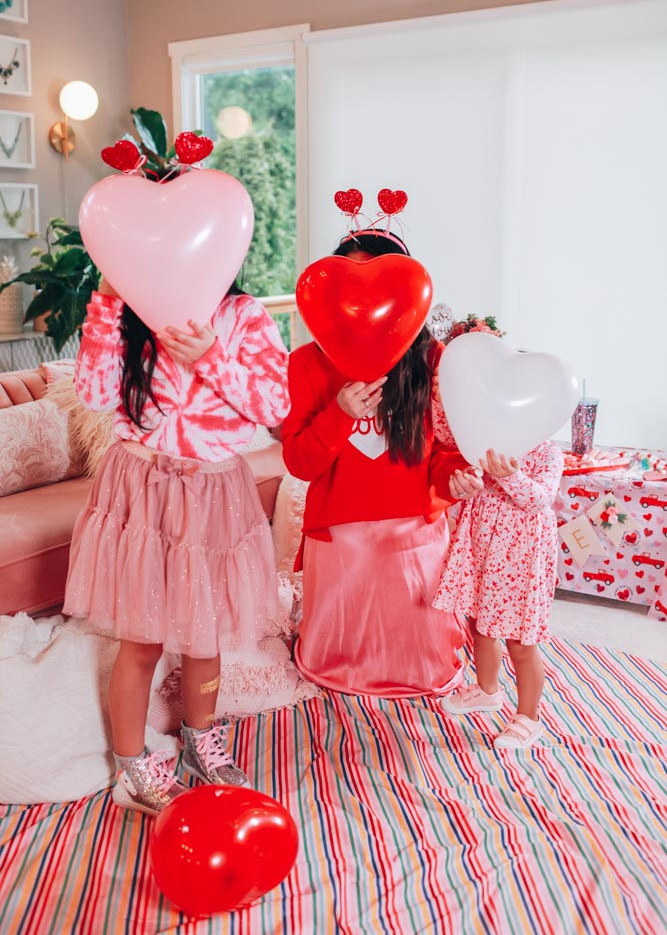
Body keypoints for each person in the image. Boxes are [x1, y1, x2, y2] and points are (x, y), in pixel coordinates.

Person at [64, 275, 290, 814]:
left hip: (214, 492)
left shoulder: (244, 315)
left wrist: (212, 357)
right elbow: (93, 394)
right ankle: (131, 765)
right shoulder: (133, 313)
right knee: (142, 640)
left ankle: (199, 739)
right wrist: (107, 302)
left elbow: (274, 404)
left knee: (203, 633)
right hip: (144, 489)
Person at [282, 230, 482, 697]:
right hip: (339, 532)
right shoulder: (306, 363)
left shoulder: (431, 360)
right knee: (340, 644)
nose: (363, 304)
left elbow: (444, 450)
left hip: (414, 533)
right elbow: (300, 464)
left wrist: (455, 478)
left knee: (420, 645)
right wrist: (339, 415)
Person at [434, 442, 563, 749]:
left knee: (520, 641)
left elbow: (540, 499)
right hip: (484, 547)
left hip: (521, 556)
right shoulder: (491, 441)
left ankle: (528, 717)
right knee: (480, 626)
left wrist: (510, 476)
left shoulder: (548, 452)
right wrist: (467, 478)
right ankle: (488, 690)